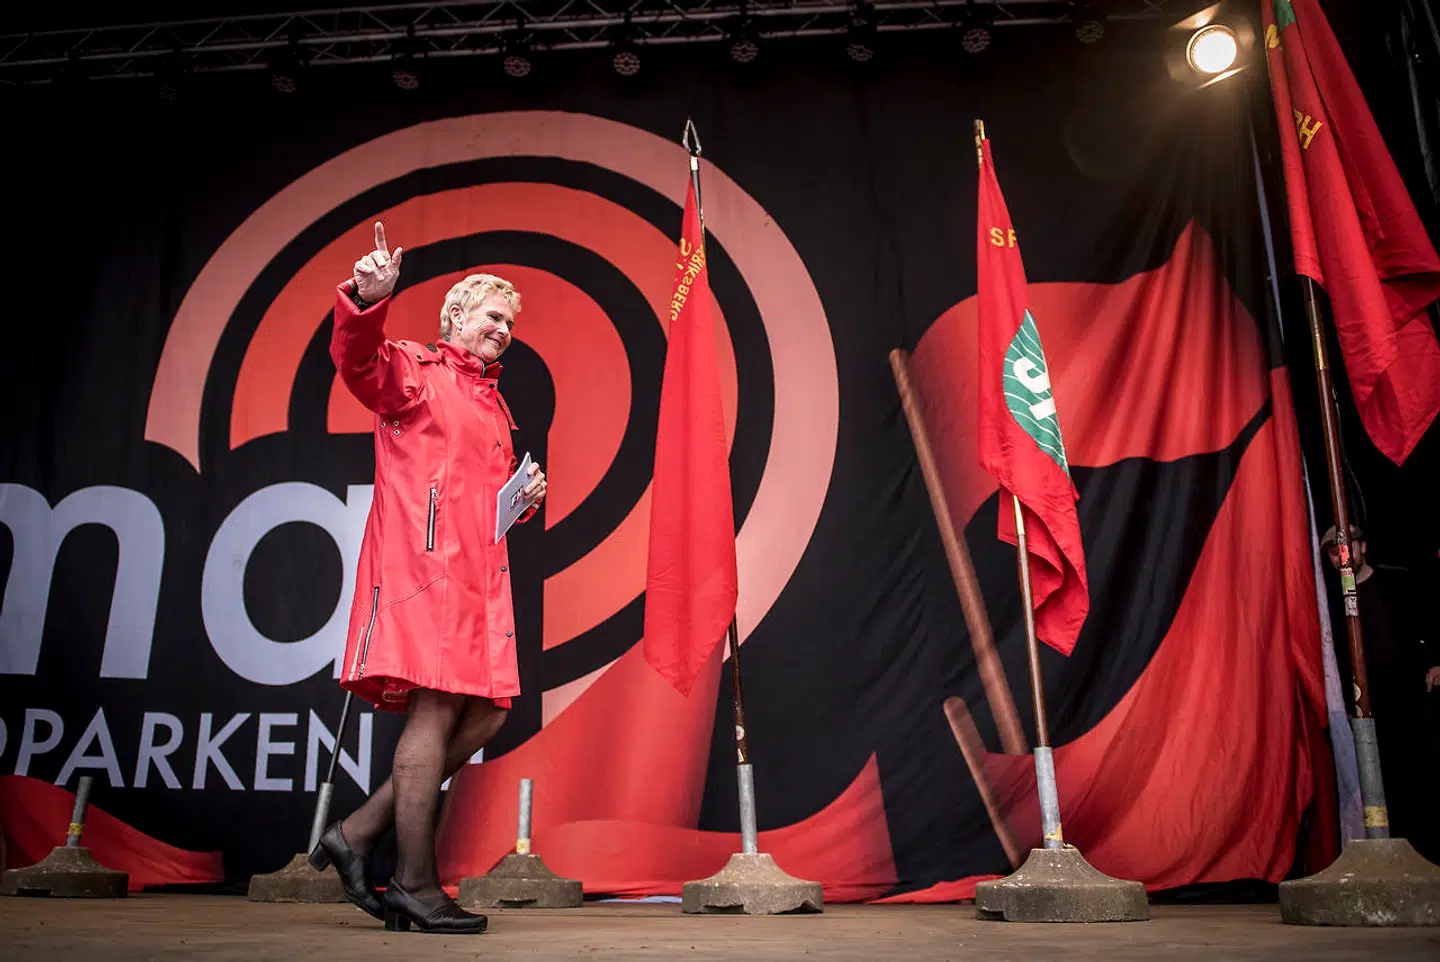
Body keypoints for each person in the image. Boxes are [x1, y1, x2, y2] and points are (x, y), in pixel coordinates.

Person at [306, 222, 546, 934]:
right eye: (491, 316)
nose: (502, 329)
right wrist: (367, 300)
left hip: (477, 578)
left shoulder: (496, 407)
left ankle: (355, 836)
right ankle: (413, 883)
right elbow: (355, 363)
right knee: (436, 711)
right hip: (423, 567)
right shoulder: (414, 368)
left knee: (491, 711)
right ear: (456, 319)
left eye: (510, 322)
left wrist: (522, 501)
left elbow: (488, 498)